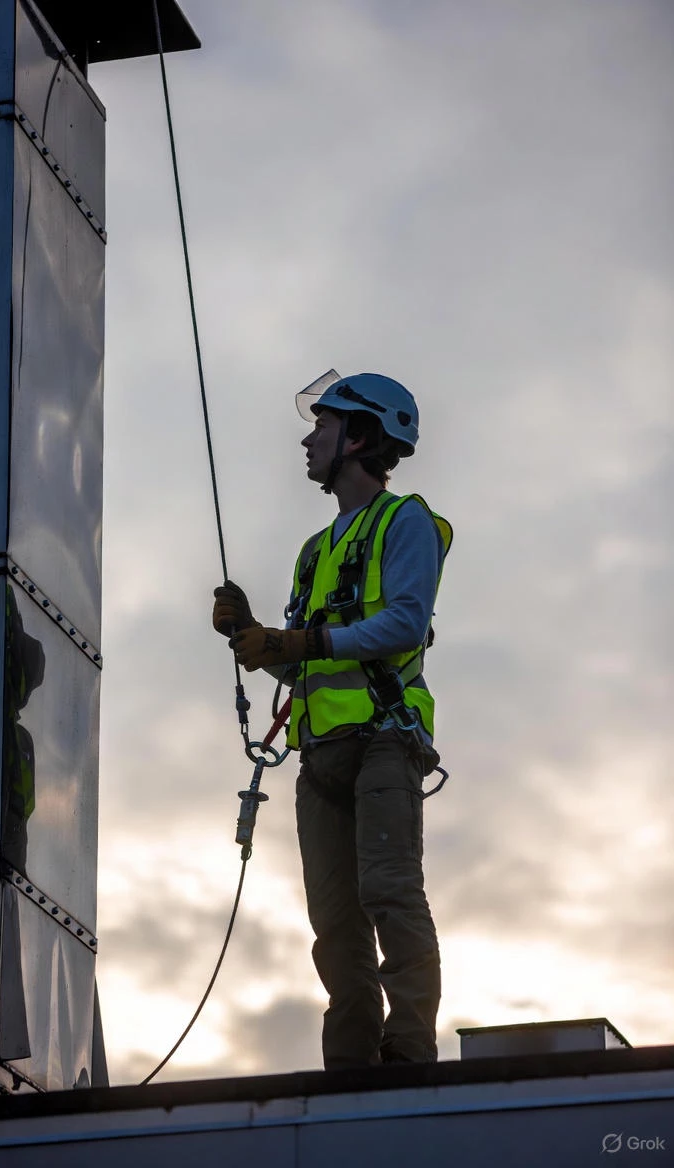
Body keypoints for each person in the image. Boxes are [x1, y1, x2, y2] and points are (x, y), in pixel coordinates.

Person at [212, 372, 452, 1070]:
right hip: (320, 753)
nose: (308, 438)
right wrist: (254, 638)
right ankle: (350, 1071)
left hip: (384, 740)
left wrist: (295, 644)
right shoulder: (313, 552)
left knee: (389, 892)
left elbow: (403, 624)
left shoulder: (406, 521)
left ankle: (408, 1056)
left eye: (323, 425)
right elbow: (305, 663)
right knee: (334, 926)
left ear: (361, 437)